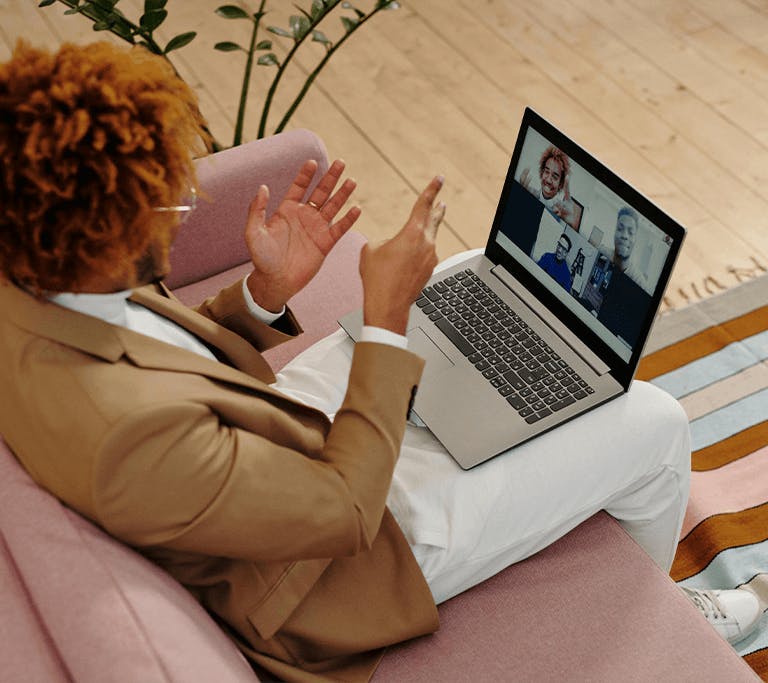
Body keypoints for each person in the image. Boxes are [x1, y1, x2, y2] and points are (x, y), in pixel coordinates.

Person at [0, 41, 760, 683]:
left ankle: (498, 417)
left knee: (469, 270)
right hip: (340, 562)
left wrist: (265, 293)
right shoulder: (127, 438)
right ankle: (662, 611)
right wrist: (386, 325)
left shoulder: (35, 282)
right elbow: (345, 509)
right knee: (656, 424)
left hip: (259, 445)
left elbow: (158, 358)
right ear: (98, 237)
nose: (174, 221)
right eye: (159, 209)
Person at [519, 145, 578, 229]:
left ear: (560, 184)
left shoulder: (560, 212)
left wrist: (570, 223)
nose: (548, 180)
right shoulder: (529, 193)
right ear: (542, 173)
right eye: (547, 172)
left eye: (555, 177)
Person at [601, 206, 652, 291]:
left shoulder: (640, 283)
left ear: (635, 239)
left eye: (630, 232)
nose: (624, 236)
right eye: (620, 229)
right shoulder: (601, 253)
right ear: (614, 232)